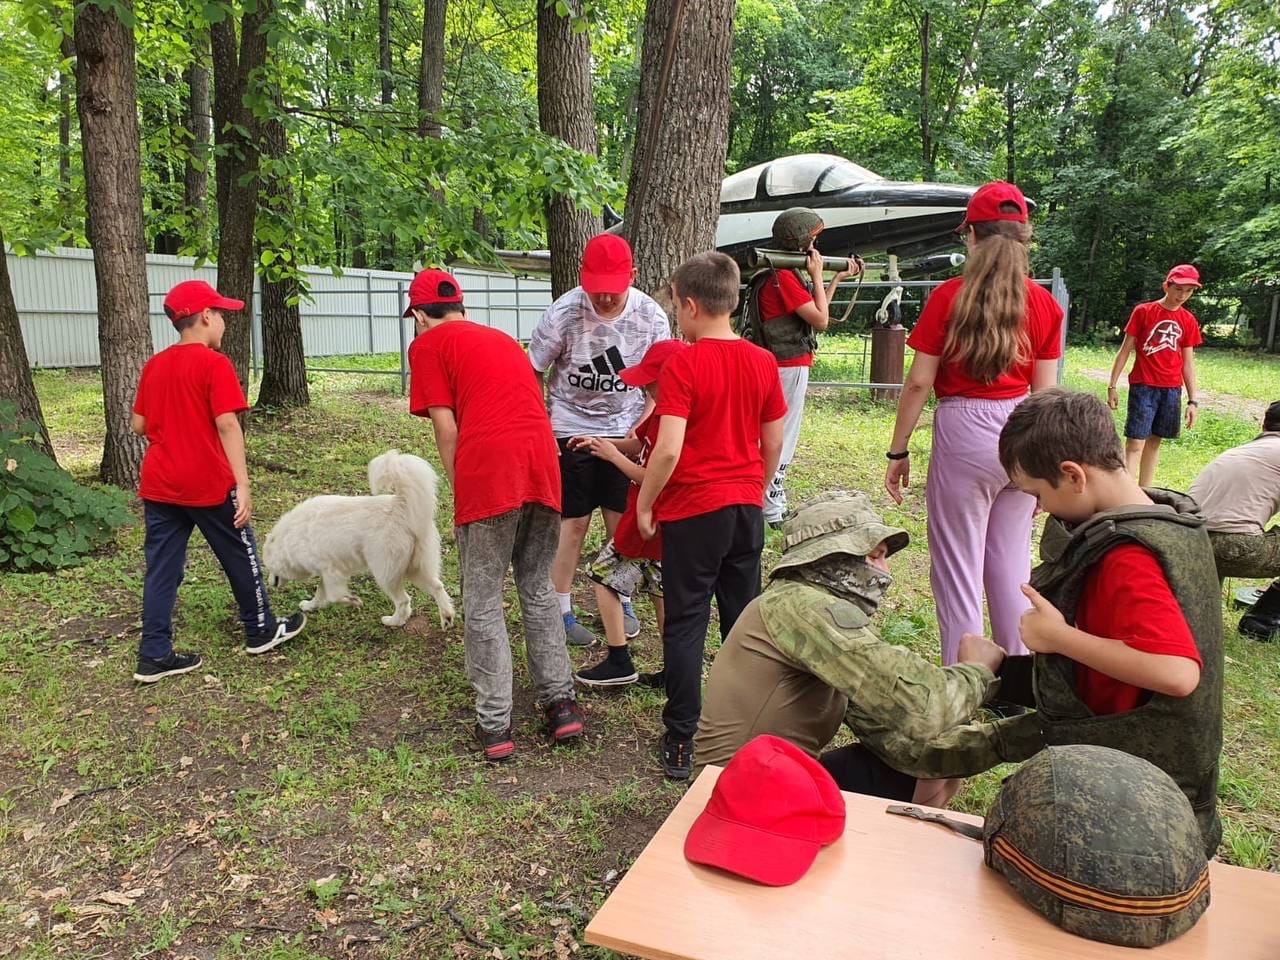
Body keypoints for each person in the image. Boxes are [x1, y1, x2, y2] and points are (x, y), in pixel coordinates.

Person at [989, 388, 1223, 856]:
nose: (1040, 509)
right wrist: (1003, 669)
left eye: (1038, 493)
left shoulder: (1128, 557)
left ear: (1073, 475)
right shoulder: (1169, 521)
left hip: (1143, 812)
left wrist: (1060, 638)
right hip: (1160, 789)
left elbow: (1176, 673)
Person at [693, 491, 1009, 807]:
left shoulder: (800, 607)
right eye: (875, 555)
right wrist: (978, 670)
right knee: (929, 781)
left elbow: (902, 737)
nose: (886, 572)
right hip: (739, 797)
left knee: (939, 771)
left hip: (761, 779)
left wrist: (1018, 737)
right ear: (831, 557)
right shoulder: (806, 609)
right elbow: (926, 710)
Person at [406, 268, 584, 761]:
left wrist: (463, 486)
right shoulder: (502, 339)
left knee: (482, 596)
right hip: (543, 464)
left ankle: (495, 722)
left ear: (420, 316)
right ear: (460, 306)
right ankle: (561, 704)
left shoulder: (427, 346)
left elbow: (446, 426)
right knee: (537, 587)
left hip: (491, 469)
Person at [884, 181, 1064, 664]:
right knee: (1009, 562)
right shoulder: (1044, 303)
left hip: (964, 426)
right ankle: (1018, 671)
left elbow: (920, 382)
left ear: (971, 235)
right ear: (1023, 237)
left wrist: (898, 450)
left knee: (958, 566)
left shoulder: (948, 297)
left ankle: (965, 676)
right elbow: (1045, 393)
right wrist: (1046, 464)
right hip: (1023, 426)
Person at [635, 251, 787, 780]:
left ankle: (682, 738)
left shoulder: (683, 362)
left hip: (694, 510)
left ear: (692, 305)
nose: (677, 314)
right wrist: (756, 487)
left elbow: (669, 448)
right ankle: (750, 730)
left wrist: (646, 503)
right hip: (746, 508)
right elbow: (773, 440)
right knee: (744, 624)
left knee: (685, 622)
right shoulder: (763, 362)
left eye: (676, 305)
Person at [131, 280, 306, 683]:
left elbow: (138, 424)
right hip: (207, 482)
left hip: (161, 483)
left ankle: (153, 654)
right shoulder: (214, 364)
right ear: (206, 317)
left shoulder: (155, 365)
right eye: (222, 314)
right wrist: (242, 484)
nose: (225, 321)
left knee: (161, 570)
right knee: (239, 553)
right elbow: (227, 423)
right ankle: (261, 629)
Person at [527, 234, 671, 648]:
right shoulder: (563, 313)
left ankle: (618, 597)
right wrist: (542, 423)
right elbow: (532, 370)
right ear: (581, 277)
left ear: (634, 276)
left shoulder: (651, 317)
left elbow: (661, 379)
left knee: (620, 520)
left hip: (626, 428)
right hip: (570, 426)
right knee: (572, 523)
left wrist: (641, 426)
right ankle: (560, 608)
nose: (605, 298)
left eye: (615, 287)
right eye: (597, 289)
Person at [570, 340, 687, 687]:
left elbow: (655, 473)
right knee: (662, 591)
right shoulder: (666, 414)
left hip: (645, 519)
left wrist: (612, 457)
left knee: (601, 577)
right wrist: (602, 442)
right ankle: (675, 667)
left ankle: (619, 658)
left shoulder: (674, 417)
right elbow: (641, 445)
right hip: (666, 525)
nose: (646, 388)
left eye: (653, 381)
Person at [747, 207, 862, 526]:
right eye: (814, 239)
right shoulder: (783, 275)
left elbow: (813, 307)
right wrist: (816, 274)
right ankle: (770, 504)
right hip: (788, 364)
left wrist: (834, 278)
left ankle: (766, 499)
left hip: (778, 363)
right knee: (782, 434)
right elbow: (821, 320)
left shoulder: (778, 271)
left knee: (773, 432)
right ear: (803, 242)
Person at [1188, 399, 1280, 641]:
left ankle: (1201, 615)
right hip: (1235, 547)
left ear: (1264, 423)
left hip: (1188, 540)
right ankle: (1264, 620)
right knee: (1231, 540)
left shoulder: (1243, 451)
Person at [1106, 264, 1203, 487]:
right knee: (1135, 443)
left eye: (1189, 291)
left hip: (1171, 388)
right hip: (1143, 386)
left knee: (1154, 441)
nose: (1183, 295)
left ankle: (1146, 491)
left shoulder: (1188, 320)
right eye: (1179, 289)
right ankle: (1126, 492)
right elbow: (1124, 351)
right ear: (1166, 286)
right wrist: (1112, 386)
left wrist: (1192, 400)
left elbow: (1188, 364)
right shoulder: (1144, 311)